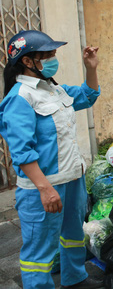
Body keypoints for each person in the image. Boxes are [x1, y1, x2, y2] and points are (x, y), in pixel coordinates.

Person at [0, 30, 102, 289]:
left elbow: (86, 96)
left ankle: (75, 278)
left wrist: (91, 68)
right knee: (39, 252)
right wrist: (45, 189)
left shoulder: (52, 88)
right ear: (27, 61)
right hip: (43, 188)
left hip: (72, 179)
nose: (53, 59)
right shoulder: (20, 98)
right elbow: (22, 152)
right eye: (47, 55)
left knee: (73, 235)